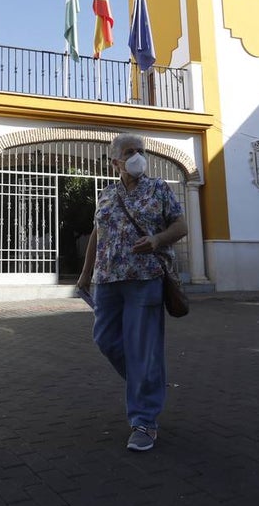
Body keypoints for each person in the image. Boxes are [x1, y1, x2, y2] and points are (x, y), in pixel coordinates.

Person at [77, 133, 188, 452]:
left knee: (142, 347)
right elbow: (98, 234)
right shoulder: (107, 194)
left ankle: (144, 420)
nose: (138, 156)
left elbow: (180, 227)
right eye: (130, 152)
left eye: (141, 151)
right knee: (105, 339)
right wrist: (85, 275)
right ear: (115, 161)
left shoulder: (159, 189)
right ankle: (147, 381)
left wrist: (156, 240)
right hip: (107, 280)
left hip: (145, 277)